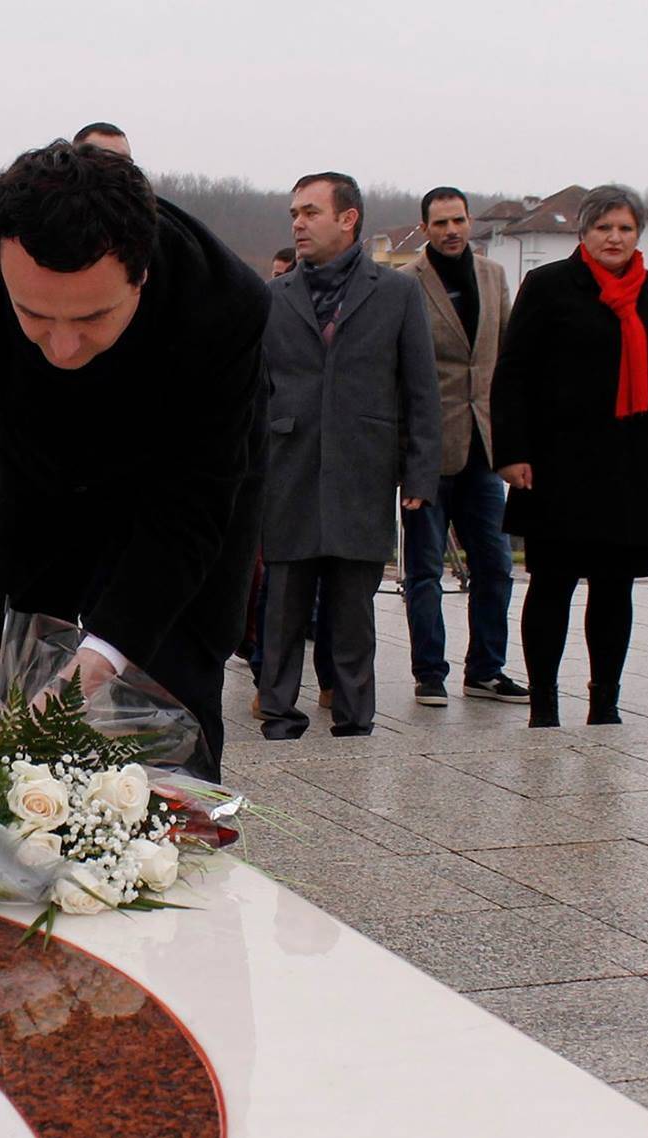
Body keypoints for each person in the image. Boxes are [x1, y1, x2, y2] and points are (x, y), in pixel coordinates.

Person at [0, 141, 267, 779]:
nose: (64, 347)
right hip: (39, 490)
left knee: (165, 720)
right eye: (33, 315)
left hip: (172, 516)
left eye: (94, 316)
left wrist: (95, 666)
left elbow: (192, 504)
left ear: (141, 273)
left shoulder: (224, 302)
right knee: (5, 699)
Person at [491, 185, 648, 727]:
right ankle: (544, 703)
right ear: (584, 233)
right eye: (604, 228)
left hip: (628, 468)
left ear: (638, 237)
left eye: (625, 229)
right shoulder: (548, 285)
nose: (615, 238)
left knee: (615, 591)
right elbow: (512, 375)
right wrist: (512, 452)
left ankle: (604, 701)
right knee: (552, 587)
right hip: (557, 465)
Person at [259, 172, 441, 740]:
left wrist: (420, 471)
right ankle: (278, 711)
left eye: (311, 212)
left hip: (363, 465)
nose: (298, 223)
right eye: (294, 213)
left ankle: (355, 714)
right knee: (283, 601)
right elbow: (257, 386)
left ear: (348, 219)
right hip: (288, 465)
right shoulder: (276, 295)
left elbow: (420, 388)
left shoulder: (396, 292)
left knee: (354, 607)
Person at [400, 187, 527, 706]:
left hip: (485, 447)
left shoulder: (494, 277)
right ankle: (430, 671)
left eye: (458, 221)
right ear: (425, 227)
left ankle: (486, 669)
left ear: (470, 222)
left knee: (495, 564)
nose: (451, 231)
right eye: (440, 223)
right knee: (424, 569)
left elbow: (507, 359)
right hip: (430, 449)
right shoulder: (406, 284)